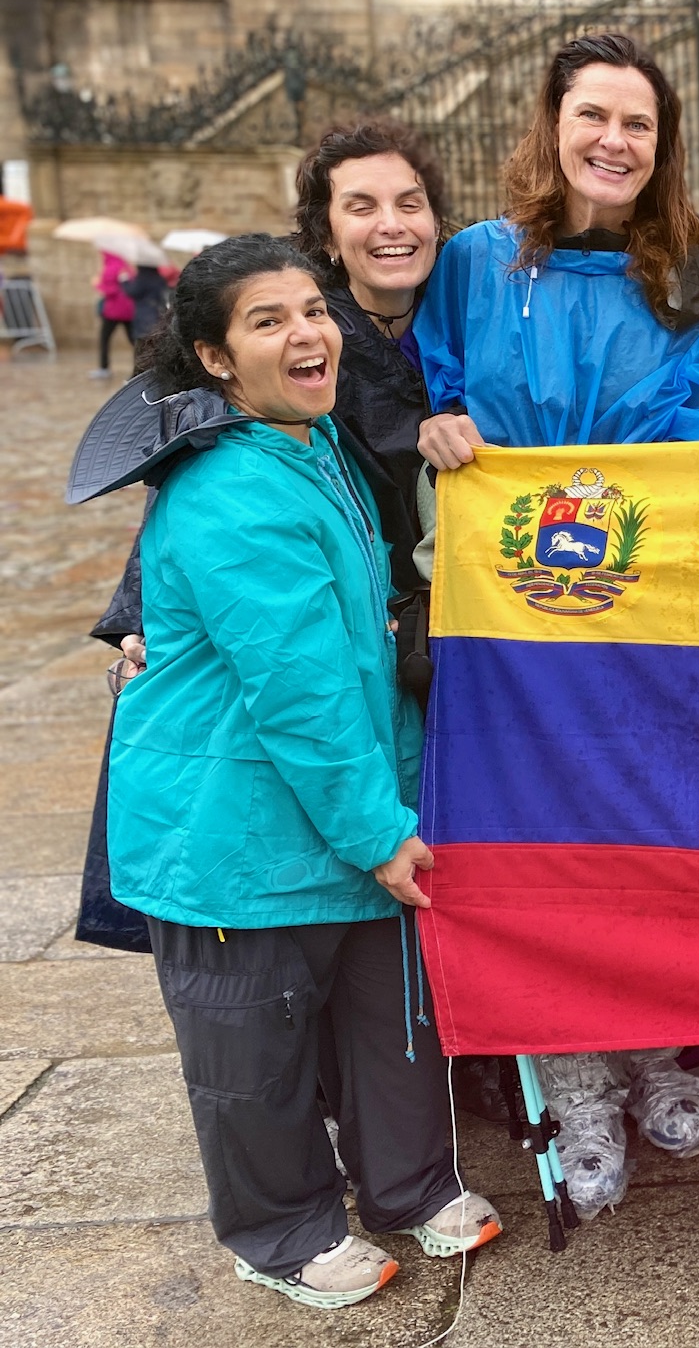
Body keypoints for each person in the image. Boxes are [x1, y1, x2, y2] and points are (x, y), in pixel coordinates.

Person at [412, 32, 699, 1220]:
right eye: (593, 117)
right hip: (517, 624)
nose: (613, 141)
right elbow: (416, 383)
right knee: (541, 852)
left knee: (653, 835)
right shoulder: (472, 263)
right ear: (550, 126)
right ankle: (577, 1094)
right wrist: (441, 428)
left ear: (662, 151)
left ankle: (663, 1058)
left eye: (638, 126)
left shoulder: (690, 273)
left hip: (655, 612)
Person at [101, 234, 499, 1310]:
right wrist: (378, 830)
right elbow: (301, 690)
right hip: (235, 831)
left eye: (312, 310)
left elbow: (360, 650)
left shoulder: (308, 443)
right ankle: (279, 1228)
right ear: (216, 359)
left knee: (385, 1016)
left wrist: (392, 805)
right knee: (255, 1045)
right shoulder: (231, 489)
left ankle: (410, 1183)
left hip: (340, 806)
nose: (306, 333)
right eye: (267, 322)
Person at [91, 249, 136, 379]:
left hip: (113, 311)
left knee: (104, 338)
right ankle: (143, 365)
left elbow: (110, 291)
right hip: (128, 310)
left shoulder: (110, 268)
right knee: (133, 340)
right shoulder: (125, 266)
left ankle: (104, 368)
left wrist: (97, 285)